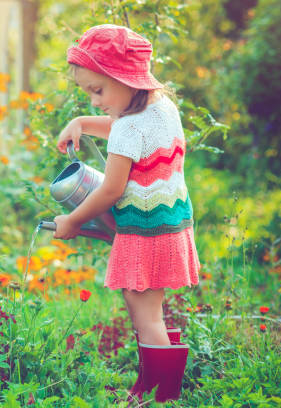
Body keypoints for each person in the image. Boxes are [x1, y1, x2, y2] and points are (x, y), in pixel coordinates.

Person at [52, 24, 200, 403]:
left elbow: (111, 189)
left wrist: (73, 220)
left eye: (97, 91)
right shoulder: (162, 108)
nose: (94, 101)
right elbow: (124, 132)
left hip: (145, 233)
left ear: (124, 78)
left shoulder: (129, 127)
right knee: (148, 311)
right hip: (169, 227)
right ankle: (151, 383)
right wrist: (82, 124)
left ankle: (161, 394)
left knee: (146, 316)